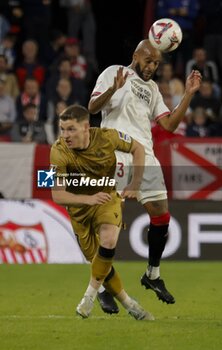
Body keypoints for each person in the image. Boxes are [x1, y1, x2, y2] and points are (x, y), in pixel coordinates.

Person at [88, 39, 202, 312]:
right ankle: (103, 285)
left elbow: (170, 125)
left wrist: (187, 94)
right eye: (148, 61)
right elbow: (92, 108)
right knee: (109, 225)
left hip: (145, 156)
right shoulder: (113, 72)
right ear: (135, 56)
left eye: (156, 64)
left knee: (162, 215)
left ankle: (152, 275)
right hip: (115, 151)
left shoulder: (152, 89)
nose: (152, 67)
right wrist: (112, 90)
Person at [50, 104, 154, 320]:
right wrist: (88, 199)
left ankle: (88, 296)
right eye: (62, 129)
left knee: (108, 240)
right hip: (79, 211)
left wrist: (135, 183)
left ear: (86, 127)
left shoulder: (108, 137)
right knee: (100, 263)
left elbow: (138, 149)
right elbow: (57, 195)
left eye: (71, 129)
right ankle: (130, 304)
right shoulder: (58, 151)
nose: (65, 135)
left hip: (107, 198)